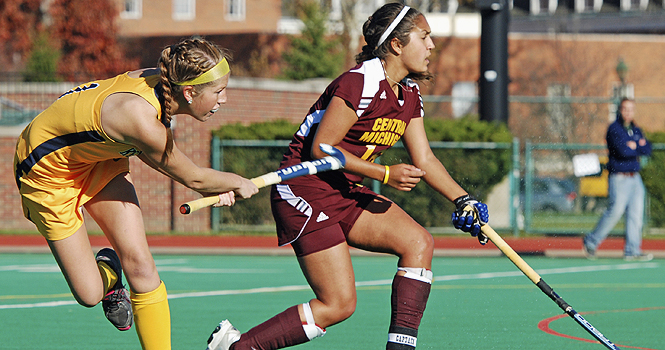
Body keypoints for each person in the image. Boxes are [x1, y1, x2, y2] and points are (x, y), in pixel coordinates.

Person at [205, 4, 489, 350]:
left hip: (343, 190)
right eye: (425, 37)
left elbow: (425, 158)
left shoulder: (409, 94)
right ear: (397, 45)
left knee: (419, 243)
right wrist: (383, 173)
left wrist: (463, 200)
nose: (432, 46)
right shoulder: (360, 82)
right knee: (338, 305)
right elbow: (322, 149)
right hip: (302, 190)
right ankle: (239, 348)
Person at [14, 38, 259, 350]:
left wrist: (222, 184)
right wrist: (238, 182)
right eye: (218, 91)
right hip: (47, 173)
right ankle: (109, 274)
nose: (224, 99)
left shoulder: (164, 83)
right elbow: (194, 179)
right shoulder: (139, 118)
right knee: (89, 294)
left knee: (142, 267)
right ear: (189, 93)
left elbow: (166, 161)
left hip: (99, 158)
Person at [583, 97, 652, 261]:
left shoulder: (635, 129)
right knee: (615, 212)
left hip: (635, 178)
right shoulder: (614, 129)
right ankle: (591, 242)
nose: (628, 112)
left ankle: (632, 250)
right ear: (620, 110)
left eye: (631, 109)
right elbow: (623, 151)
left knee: (636, 215)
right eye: (625, 109)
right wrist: (636, 146)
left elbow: (647, 148)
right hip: (619, 178)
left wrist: (636, 145)